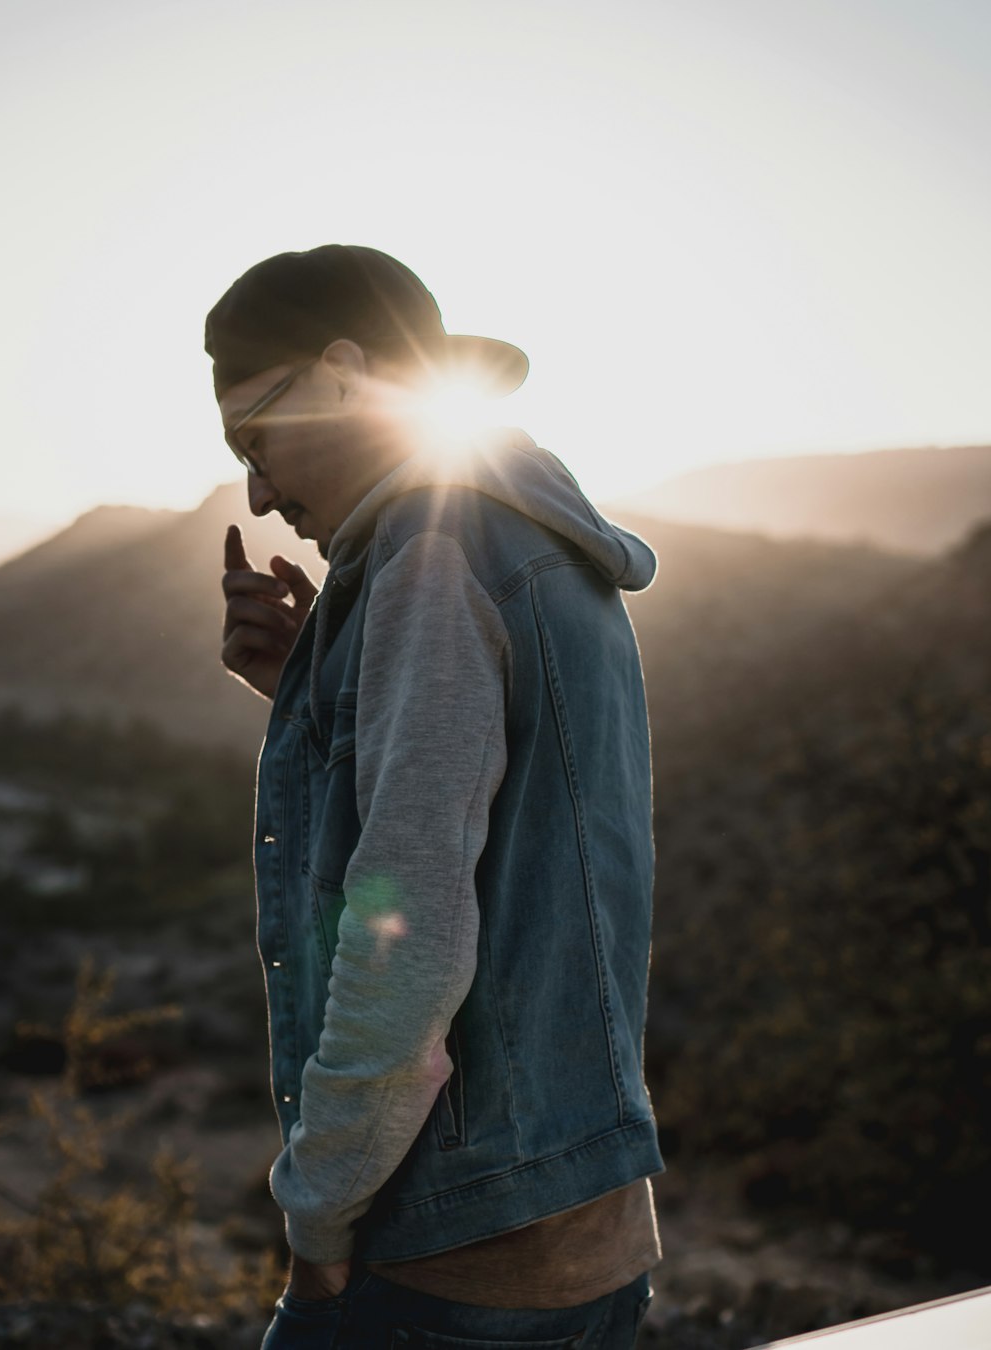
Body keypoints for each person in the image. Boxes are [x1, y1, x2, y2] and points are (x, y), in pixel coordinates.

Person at [205, 245, 664, 1348]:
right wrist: (312, 686)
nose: (259, 495)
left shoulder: (429, 561)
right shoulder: (541, 542)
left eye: (254, 444)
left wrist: (317, 1218)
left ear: (345, 376)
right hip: (585, 1217)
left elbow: (405, 935)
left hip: (455, 1253)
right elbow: (517, 828)